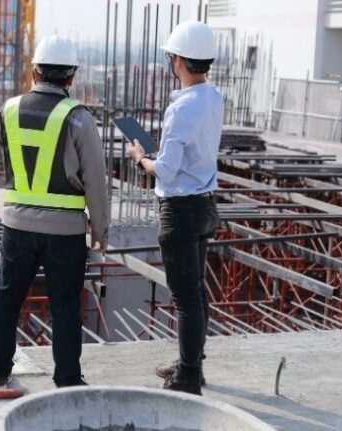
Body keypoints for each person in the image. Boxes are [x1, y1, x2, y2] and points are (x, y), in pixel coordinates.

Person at [0, 35, 109, 388]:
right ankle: (67, 379)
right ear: (71, 77)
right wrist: (100, 232)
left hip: (18, 227)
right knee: (66, 306)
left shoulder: (8, 110)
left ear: (34, 71)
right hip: (66, 233)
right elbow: (96, 183)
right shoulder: (79, 118)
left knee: (7, 297)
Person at [126, 21, 222, 396]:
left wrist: (139, 157)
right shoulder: (213, 97)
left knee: (186, 298)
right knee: (196, 292)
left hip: (180, 209)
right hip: (205, 205)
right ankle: (189, 364)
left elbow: (164, 170)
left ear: (177, 60)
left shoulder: (181, 108)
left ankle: (189, 376)